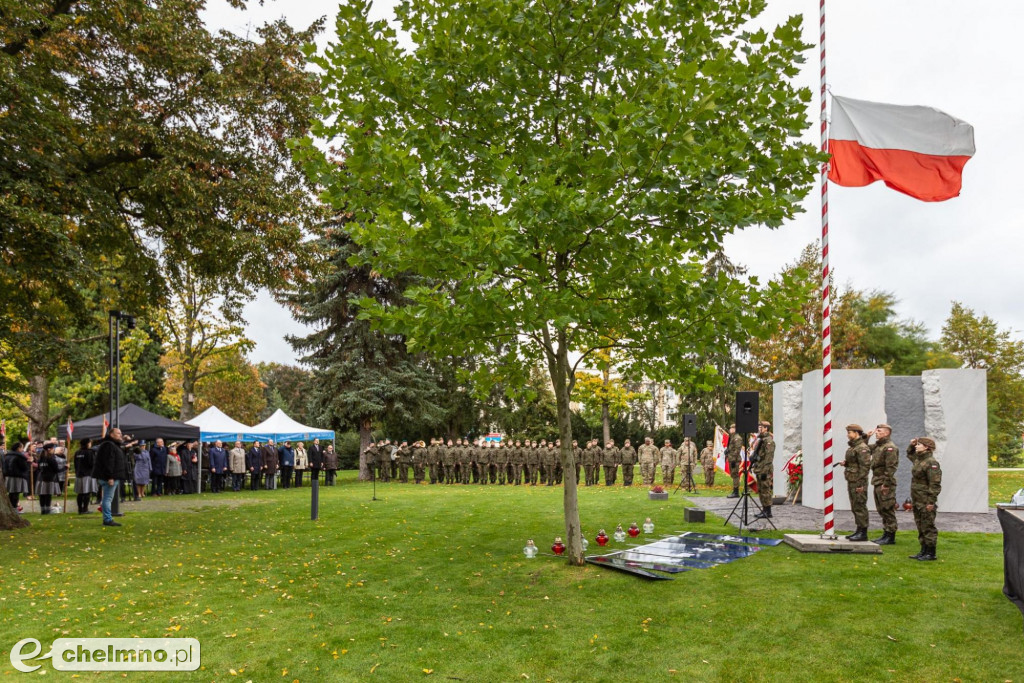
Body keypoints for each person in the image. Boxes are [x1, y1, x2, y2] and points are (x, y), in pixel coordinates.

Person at [907, 437, 942, 561]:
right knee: (920, 525)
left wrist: (931, 502)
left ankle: (931, 552)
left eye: (919, 444)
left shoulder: (931, 463)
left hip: (925, 500)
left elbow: (935, 484)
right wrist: (911, 445)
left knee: (928, 526)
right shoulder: (919, 459)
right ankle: (923, 550)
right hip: (917, 499)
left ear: (926, 447)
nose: (916, 446)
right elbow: (909, 454)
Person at [837, 424, 872, 541]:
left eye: (849, 432)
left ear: (856, 433)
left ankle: (863, 532)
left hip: (858, 482)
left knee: (860, 506)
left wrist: (861, 484)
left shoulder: (862, 448)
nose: (848, 435)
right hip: (852, 480)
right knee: (855, 506)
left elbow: (865, 467)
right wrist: (846, 463)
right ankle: (859, 529)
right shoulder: (854, 447)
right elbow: (855, 463)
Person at [867, 423, 900, 545]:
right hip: (878, 481)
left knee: (887, 509)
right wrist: (867, 437)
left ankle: (890, 536)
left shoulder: (890, 448)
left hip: (885, 482)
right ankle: (886, 533)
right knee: (881, 509)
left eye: (879, 431)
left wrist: (886, 484)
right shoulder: (878, 446)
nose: (876, 432)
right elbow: (864, 449)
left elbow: (891, 468)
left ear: (886, 433)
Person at [93, 428, 129, 527]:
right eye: (118, 433)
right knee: (107, 499)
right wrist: (110, 477)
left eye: (121, 433)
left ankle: (107, 516)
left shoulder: (112, 444)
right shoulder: (108, 445)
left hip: (111, 476)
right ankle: (107, 519)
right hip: (109, 476)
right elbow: (108, 462)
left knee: (107, 498)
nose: (120, 435)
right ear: (112, 434)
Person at [751, 421, 776, 520]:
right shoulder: (761, 440)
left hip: (764, 470)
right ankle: (764, 509)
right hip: (759, 469)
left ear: (766, 428)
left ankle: (768, 511)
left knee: (765, 490)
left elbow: (769, 458)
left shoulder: (768, 441)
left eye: (761, 427)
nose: (759, 429)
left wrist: (765, 471)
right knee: (761, 490)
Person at [34, 443, 61, 515]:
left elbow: (39, 468)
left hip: (41, 478)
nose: (53, 450)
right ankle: (47, 510)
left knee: (42, 495)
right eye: (53, 448)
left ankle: (43, 510)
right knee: (48, 495)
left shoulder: (40, 458)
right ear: (49, 450)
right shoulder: (51, 458)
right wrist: (65, 467)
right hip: (49, 479)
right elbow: (56, 470)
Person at [4, 442, 30, 511]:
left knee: (12, 493)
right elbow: (24, 468)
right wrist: (29, 462)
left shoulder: (7, 455)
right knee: (15, 493)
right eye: (22, 447)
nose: (22, 449)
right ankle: (14, 509)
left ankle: (11, 508)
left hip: (9, 476)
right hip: (17, 477)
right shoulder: (20, 457)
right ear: (18, 448)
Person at [725, 424, 742, 498]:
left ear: (735, 429)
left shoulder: (737, 438)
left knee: (735, 475)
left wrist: (734, 460)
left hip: (734, 459)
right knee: (733, 475)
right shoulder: (732, 437)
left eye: (731, 428)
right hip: (731, 458)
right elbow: (732, 448)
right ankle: (735, 491)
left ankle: (736, 492)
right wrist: (727, 450)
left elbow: (737, 450)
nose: (730, 429)